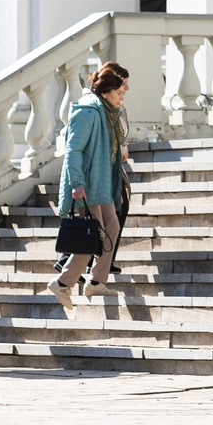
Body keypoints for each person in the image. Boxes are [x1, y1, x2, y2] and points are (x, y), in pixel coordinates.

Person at [48, 62, 129, 310]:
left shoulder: (107, 114)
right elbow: (74, 150)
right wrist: (77, 183)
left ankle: (96, 281)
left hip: (102, 185)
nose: (121, 98)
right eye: (119, 93)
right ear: (105, 91)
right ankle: (62, 284)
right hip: (88, 186)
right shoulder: (87, 112)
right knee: (92, 237)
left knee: (112, 227)